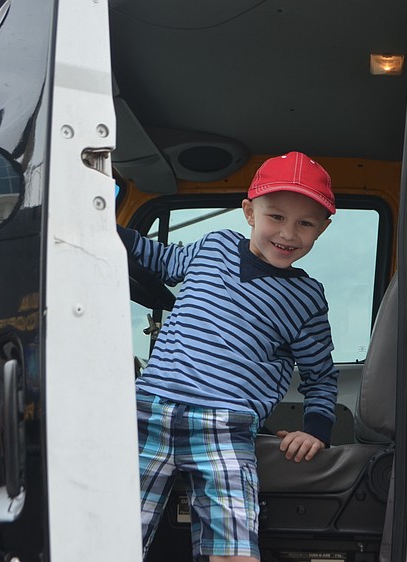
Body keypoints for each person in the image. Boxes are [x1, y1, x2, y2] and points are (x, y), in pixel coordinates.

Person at [119, 151, 339, 561]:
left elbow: (320, 375)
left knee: (234, 550)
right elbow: (162, 260)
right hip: (149, 411)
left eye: (305, 223)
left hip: (224, 426)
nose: (288, 233)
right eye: (276, 216)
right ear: (250, 212)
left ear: (322, 229)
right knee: (108, 533)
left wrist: (316, 430)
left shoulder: (307, 299)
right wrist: (101, 225)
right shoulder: (215, 245)